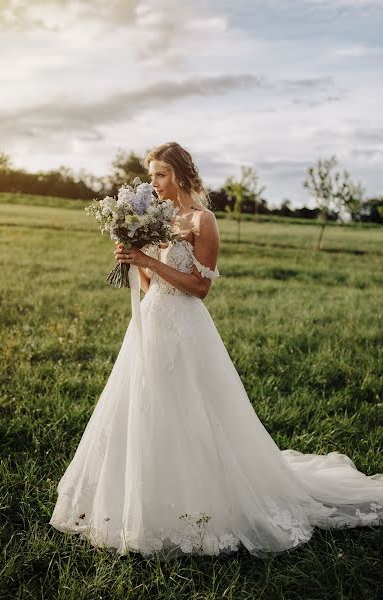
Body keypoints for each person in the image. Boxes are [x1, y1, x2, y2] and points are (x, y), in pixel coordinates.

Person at [50, 141, 383, 559]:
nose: (153, 183)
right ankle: (145, 497)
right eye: (151, 175)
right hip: (151, 322)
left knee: (193, 408)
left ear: (180, 175)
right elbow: (154, 286)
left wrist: (149, 262)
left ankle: (207, 498)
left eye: (160, 175)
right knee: (147, 405)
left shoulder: (203, 220)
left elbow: (199, 289)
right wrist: (134, 261)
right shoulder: (156, 217)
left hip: (186, 327)